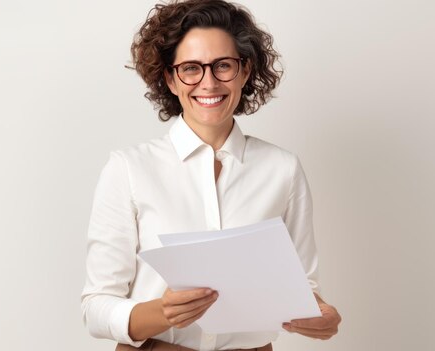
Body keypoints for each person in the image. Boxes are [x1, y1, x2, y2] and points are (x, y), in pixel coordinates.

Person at [81, 1, 341, 350]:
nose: (208, 82)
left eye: (223, 66)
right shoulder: (128, 169)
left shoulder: (283, 169)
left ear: (245, 71)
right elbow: (96, 307)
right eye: (191, 68)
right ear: (171, 79)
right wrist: (162, 312)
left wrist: (320, 316)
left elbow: (304, 288)